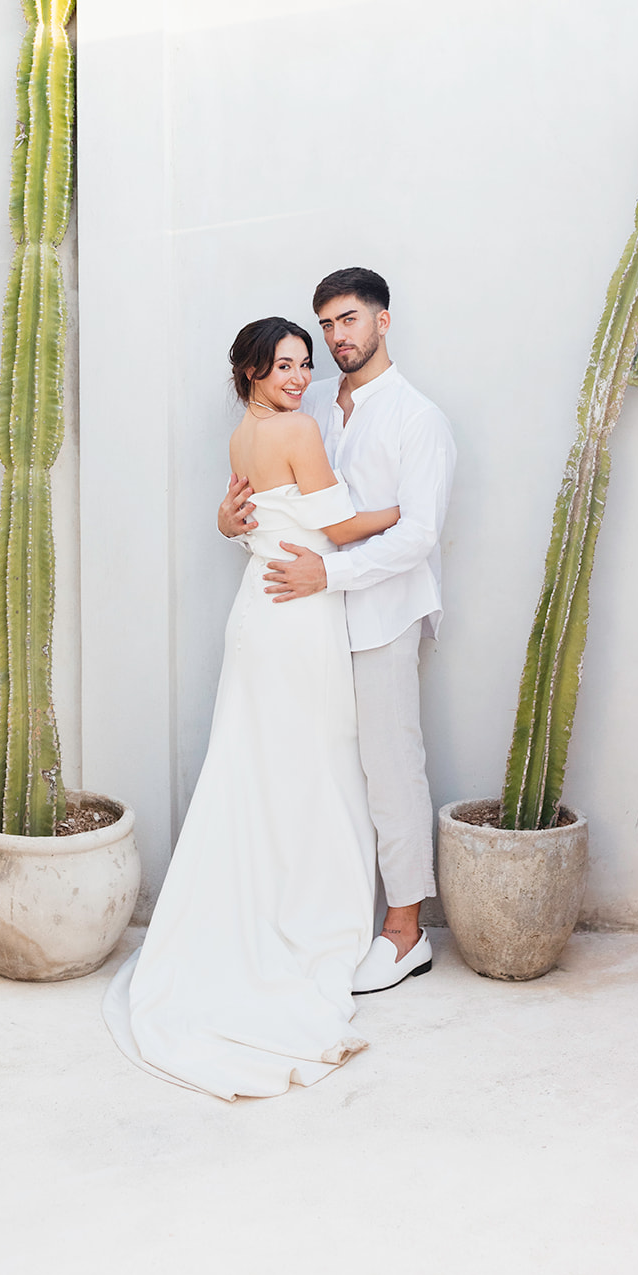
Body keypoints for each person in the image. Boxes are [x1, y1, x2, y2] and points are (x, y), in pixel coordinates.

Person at [103, 317, 401, 1100]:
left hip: (259, 611)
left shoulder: (243, 436)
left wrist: (226, 522)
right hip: (294, 617)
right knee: (310, 766)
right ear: (250, 371)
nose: (300, 377)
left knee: (261, 764)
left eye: (305, 364)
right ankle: (304, 919)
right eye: (283, 365)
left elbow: (241, 517)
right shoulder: (297, 429)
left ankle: (265, 906)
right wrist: (403, 514)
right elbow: (338, 527)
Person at [219, 268, 456, 996]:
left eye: (348, 320)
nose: (334, 337)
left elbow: (417, 535)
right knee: (313, 769)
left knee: (388, 768)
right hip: (305, 622)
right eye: (324, 324)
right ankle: (327, 914)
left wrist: (331, 576)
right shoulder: (305, 401)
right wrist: (233, 527)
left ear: (382, 322)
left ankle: (404, 933)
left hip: (378, 615)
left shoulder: (418, 419)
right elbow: (278, 508)